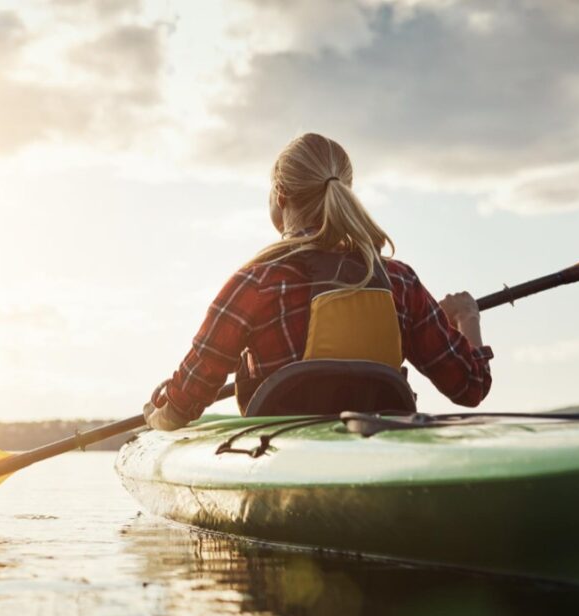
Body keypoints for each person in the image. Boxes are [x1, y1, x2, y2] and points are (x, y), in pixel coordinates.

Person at [143, 133, 493, 431]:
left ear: (280, 196)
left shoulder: (255, 283)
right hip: (379, 453)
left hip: (281, 462)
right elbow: (471, 386)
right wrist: (467, 318)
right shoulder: (400, 282)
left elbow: (184, 402)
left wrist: (157, 416)